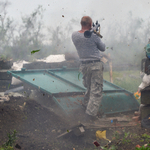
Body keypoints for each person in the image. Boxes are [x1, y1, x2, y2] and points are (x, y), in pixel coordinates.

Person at [72, 16, 106, 121]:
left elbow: (84, 37)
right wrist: (95, 33)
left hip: (84, 66)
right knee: (96, 91)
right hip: (95, 65)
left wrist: (93, 32)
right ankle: (89, 116)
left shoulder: (74, 35)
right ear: (90, 24)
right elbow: (103, 48)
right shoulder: (94, 36)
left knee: (89, 89)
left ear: (81, 23)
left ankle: (85, 109)